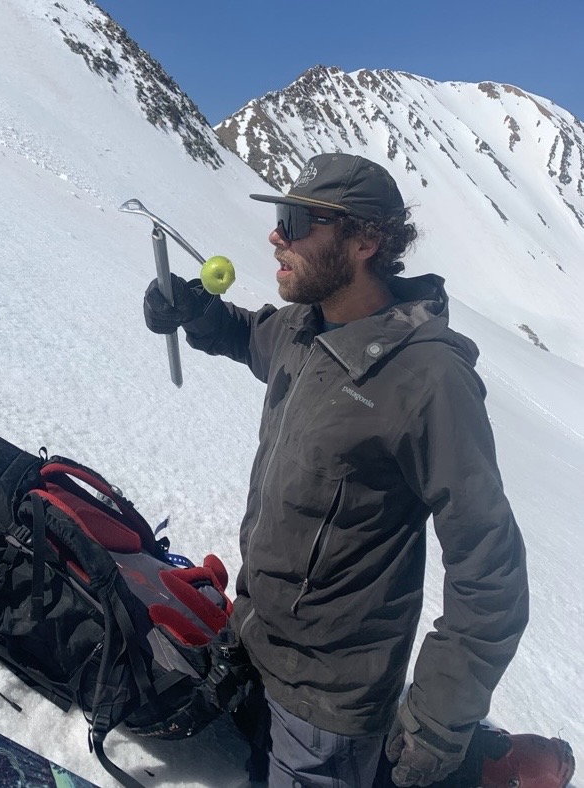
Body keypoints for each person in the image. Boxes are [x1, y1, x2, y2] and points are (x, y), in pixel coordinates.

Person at [143, 153, 529, 788]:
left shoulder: (430, 378)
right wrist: (195, 312)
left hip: (326, 707)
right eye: (280, 217)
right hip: (252, 641)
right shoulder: (306, 324)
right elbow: (250, 337)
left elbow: (490, 572)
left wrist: (438, 721)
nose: (276, 235)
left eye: (297, 222)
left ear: (365, 242)